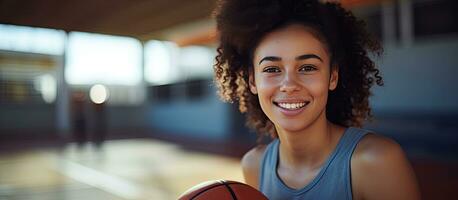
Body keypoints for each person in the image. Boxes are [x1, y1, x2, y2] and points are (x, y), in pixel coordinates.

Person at [213, 0, 421, 199]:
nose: (289, 84)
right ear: (252, 81)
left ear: (332, 76)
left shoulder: (376, 162)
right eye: (272, 69)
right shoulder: (253, 165)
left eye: (307, 68)